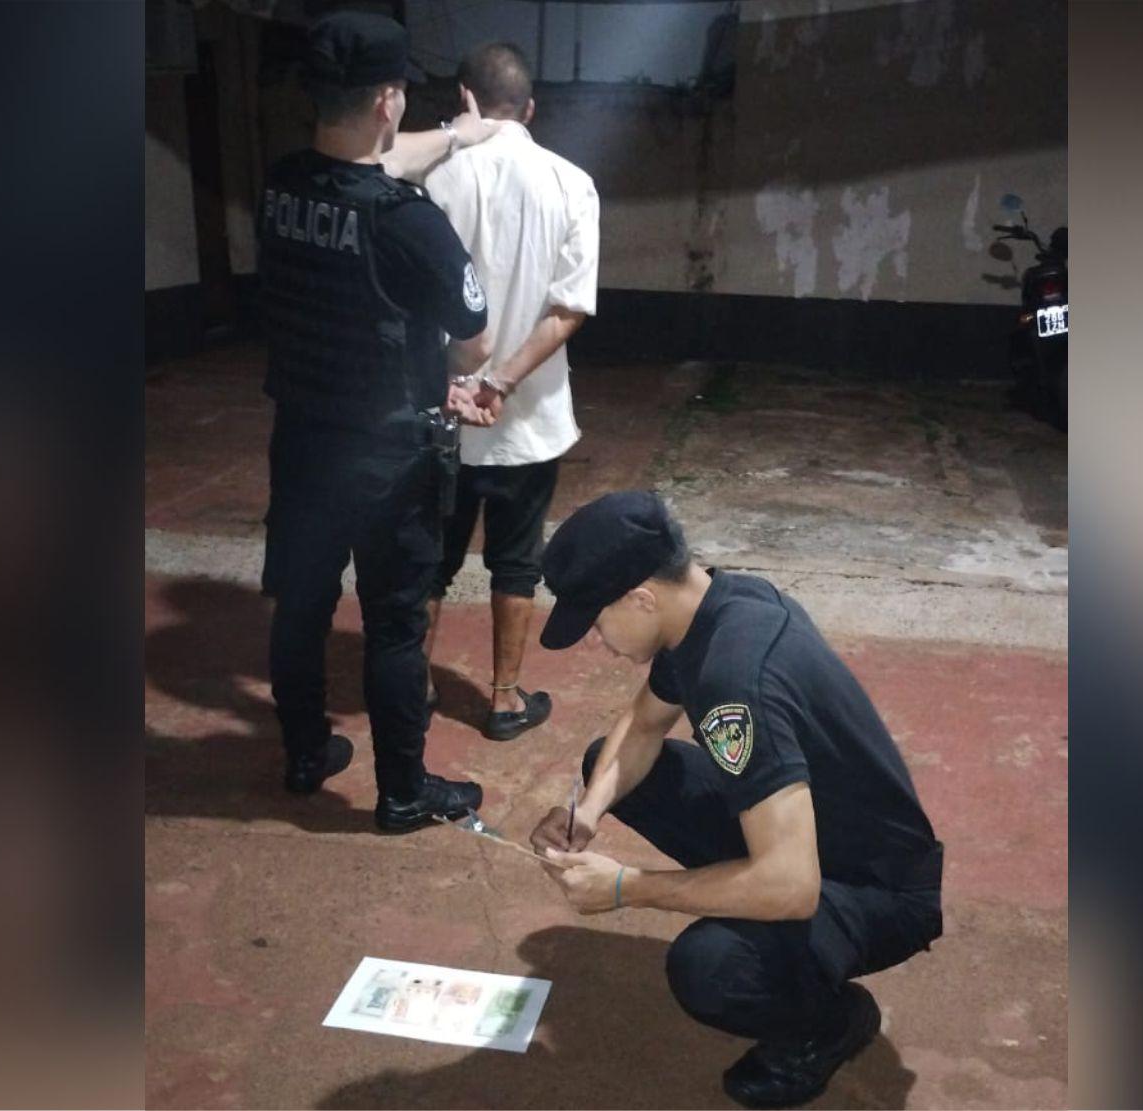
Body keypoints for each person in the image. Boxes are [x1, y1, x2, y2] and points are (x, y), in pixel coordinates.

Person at [528, 491, 944, 1108]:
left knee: (710, 969)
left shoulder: (735, 679)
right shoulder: (715, 605)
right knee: (606, 767)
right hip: (806, 830)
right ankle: (765, 927)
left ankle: (829, 1024)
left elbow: (791, 886)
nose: (598, 638)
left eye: (595, 621)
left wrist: (626, 887)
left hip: (875, 889)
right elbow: (643, 726)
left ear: (642, 598)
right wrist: (586, 815)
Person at [258, 11, 502, 831]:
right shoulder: (410, 224)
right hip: (389, 458)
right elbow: (475, 348)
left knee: (300, 605)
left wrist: (458, 136)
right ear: (390, 100)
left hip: (301, 443)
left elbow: (370, 165)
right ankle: (402, 792)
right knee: (394, 626)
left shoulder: (282, 185)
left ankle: (303, 752)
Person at [418, 42, 600, 741]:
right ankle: (502, 699)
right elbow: (567, 309)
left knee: (432, 559)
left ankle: (418, 685)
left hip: (442, 415)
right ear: (530, 108)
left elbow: (410, 305)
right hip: (529, 418)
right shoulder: (571, 183)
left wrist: (457, 383)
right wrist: (501, 382)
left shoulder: (434, 179)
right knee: (516, 562)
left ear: (465, 99)